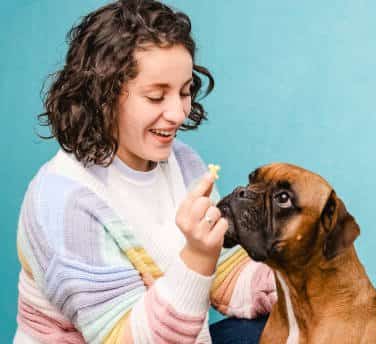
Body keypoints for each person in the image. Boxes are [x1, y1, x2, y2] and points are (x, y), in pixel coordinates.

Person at [14, 1, 276, 343]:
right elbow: (123, 338)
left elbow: (228, 277)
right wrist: (197, 257)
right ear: (102, 97)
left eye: (184, 92)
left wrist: (309, 282)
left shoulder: (183, 163)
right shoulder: (63, 202)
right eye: (155, 97)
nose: (178, 113)